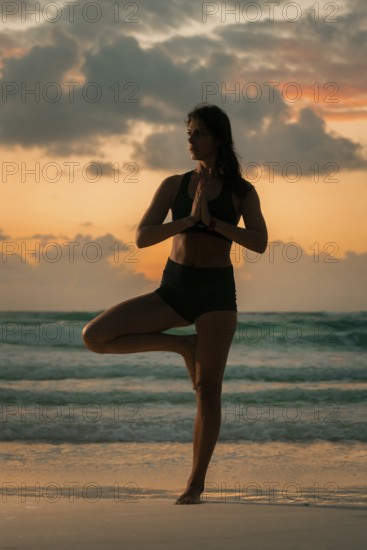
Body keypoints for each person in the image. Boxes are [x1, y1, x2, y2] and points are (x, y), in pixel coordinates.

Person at [82, 103, 268, 504]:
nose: (190, 139)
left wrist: (214, 223)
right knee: (95, 335)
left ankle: (196, 483)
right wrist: (186, 221)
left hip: (216, 295)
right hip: (174, 289)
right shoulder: (173, 185)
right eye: (188, 132)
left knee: (209, 390)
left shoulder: (241, 191)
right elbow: (144, 237)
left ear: (217, 138)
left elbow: (260, 242)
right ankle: (180, 344)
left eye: (198, 133)